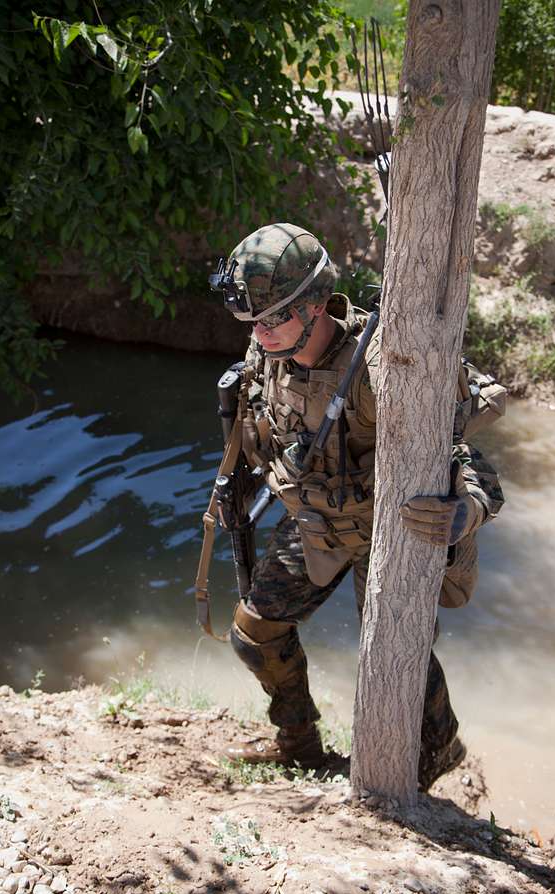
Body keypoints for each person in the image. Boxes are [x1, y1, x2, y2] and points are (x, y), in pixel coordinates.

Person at [210, 222, 504, 790]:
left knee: (399, 655)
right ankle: (298, 744)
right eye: (251, 321)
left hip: (391, 531)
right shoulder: (267, 351)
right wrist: (240, 485)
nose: (260, 332)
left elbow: (471, 464)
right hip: (317, 520)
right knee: (255, 633)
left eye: (274, 318)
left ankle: (437, 751)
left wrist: (464, 511)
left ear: (318, 305)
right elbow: (260, 428)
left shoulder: (378, 370)